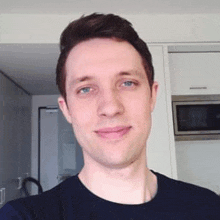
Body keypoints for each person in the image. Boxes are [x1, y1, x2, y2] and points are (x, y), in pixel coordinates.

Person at [0, 13, 220, 220]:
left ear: (152, 96)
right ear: (66, 108)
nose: (111, 107)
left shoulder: (209, 208)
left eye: (127, 83)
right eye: (85, 89)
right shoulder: (24, 216)